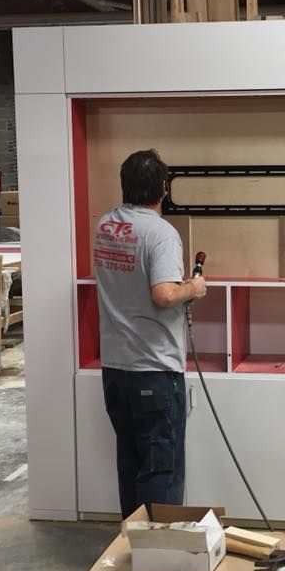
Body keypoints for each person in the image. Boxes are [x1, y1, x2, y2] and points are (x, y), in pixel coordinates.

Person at [94, 149, 207, 519]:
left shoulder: (107, 225)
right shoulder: (161, 233)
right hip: (154, 369)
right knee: (161, 471)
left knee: (130, 464)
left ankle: (133, 550)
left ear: (125, 185)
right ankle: (161, 558)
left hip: (115, 368)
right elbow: (164, 294)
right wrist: (194, 287)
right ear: (163, 187)